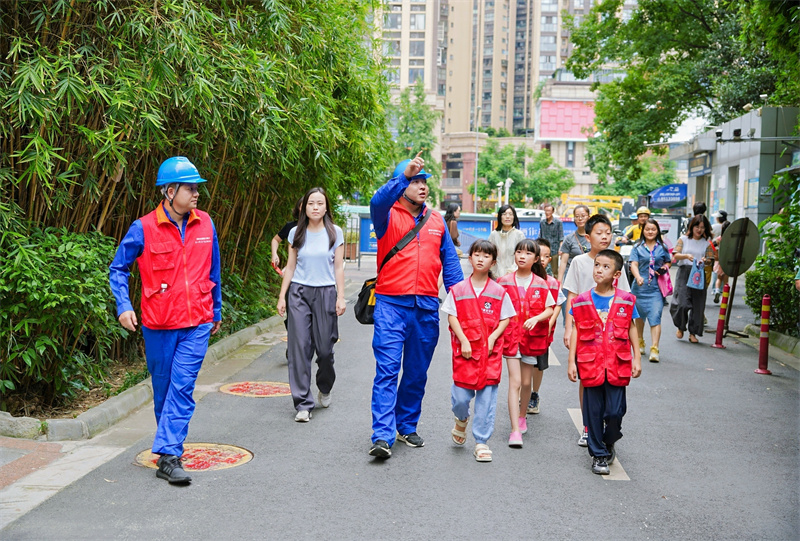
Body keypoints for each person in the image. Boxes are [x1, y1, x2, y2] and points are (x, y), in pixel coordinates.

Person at [109, 156, 222, 485]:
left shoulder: (206, 224)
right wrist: (123, 306)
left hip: (197, 321)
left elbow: (214, 270)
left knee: (182, 387)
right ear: (170, 192)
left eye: (197, 188)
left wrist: (215, 310)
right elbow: (118, 268)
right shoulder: (143, 228)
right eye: (190, 188)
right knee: (164, 390)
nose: (196, 193)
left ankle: (169, 455)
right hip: (158, 324)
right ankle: (168, 452)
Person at [368, 153, 463, 459]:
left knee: (416, 372)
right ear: (402, 185)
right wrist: (403, 175)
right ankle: (382, 435)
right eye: (415, 181)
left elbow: (451, 266)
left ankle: (406, 425)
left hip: (425, 307)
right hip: (390, 305)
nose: (422, 186)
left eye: (424, 182)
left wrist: (462, 304)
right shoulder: (385, 215)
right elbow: (377, 200)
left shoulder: (436, 221)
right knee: (387, 370)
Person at [568, 249, 642, 475]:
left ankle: (609, 440)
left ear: (617, 274)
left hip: (618, 364)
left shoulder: (626, 300)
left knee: (615, 412)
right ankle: (598, 455)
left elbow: (631, 328)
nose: (599, 270)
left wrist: (637, 358)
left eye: (605, 267)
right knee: (593, 411)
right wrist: (571, 361)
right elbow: (577, 331)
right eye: (597, 265)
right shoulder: (581, 301)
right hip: (590, 364)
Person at [276, 188, 346, 422]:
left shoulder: (335, 232)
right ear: (304, 207)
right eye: (311, 203)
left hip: (326, 293)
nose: (315, 207)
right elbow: (291, 266)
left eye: (320, 203)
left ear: (326, 207)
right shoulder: (295, 232)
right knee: (299, 348)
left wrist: (341, 296)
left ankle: (325, 386)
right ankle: (303, 404)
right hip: (298, 293)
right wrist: (282, 296)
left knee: (325, 350)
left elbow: (338, 267)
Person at [562, 214, 630, 447]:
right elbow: (572, 295)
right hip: (585, 330)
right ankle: (588, 426)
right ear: (588, 236)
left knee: (610, 379)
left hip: (611, 335)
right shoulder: (579, 262)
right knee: (587, 378)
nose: (604, 237)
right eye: (599, 233)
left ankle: (604, 424)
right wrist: (568, 328)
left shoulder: (617, 263)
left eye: (608, 233)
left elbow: (626, 300)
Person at [443, 240, 514, 462]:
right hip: (465, 353)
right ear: (470, 258)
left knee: (486, 400)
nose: (481, 259)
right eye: (477, 254)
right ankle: (461, 420)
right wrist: (463, 340)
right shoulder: (458, 289)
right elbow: (451, 315)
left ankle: (481, 442)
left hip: (490, 355)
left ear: (493, 262)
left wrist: (493, 337)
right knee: (460, 398)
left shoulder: (499, 291)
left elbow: (505, 318)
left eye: (486, 256)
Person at [498, 239, 555, 448]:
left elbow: (550, 309)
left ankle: (522, 416)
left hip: (532, 340)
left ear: (536, 259)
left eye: (528, 253)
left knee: (525, 383)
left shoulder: (541, 283)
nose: (522, 256)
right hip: (511, 339)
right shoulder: (503, 282)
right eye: (519, 252)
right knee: (514, 382)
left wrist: (536, 318)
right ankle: (515, 430)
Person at [528, 238, 566, 414]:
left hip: (543, 332)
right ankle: (522, 393)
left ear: (550, 259)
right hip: (524, 331)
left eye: (546, 256)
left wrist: (550, 323)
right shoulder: (523, 278)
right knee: (523, 364)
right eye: (539, 255)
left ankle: (534, 394)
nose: (542, 259)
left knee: (538, 365)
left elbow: (557, 304)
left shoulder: (552, 282)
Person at [629, 219, 671, 362]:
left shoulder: (662, 247)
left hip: (656, 288)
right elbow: (633, 264)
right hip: (639, 288)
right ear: (643, 231)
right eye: (647, 229)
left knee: (655, 316)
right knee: (639, 317)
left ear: (657, 231)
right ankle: (640, 341)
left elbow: (668, 261)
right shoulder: (637, 247)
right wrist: (637, 277)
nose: (650, 232)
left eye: (653, 229)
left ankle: (655, 348)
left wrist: (665, 267)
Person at [670, 214, 715, 344]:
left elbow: (710, 259)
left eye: (702, 227)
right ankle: (680, 326)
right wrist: (686, 256)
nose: (699, 230)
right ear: (692, 226)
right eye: (697, 226)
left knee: (698, 304)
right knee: (682, 303)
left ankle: (693, 332)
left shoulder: (706, 243)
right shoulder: (683, 239)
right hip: (684, 272)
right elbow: (675, 255)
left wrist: (705, 260)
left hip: (699, 274)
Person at [558, 205, 591, 322]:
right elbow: (563, 262)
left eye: (583, 216)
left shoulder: (594, 237)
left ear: (589, 217)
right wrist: (560, 282)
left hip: (589, 279)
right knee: (570, 314)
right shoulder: (569, 239)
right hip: (571, 279)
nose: (580, 218)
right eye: (577, 216)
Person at [489, 205, 526, 277]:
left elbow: (522, 255)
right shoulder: (494, 235)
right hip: (496, 275)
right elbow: (490, 255)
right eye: (504, 214)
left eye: (510, 214)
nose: (507, 217)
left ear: (514, 217)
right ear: (500, 217)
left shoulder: (519, 235)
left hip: (514, 276)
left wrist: (512, 271)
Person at [271, 197, 303, 269]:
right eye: (302, 206)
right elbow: (276, 240)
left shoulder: (318, 229)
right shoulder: (291, 227)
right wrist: (274, 254)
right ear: (298, 208)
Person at [538, 203, 563, 277]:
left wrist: (560, 248)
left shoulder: (558, 223)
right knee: (542, 269)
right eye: (546, 211)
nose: (547, 213)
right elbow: (540, 236)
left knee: (554, 271)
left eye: (549, 211)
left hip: (554, 250)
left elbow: (561, 237)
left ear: (552, 212)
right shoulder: (542, 222)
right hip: (543, 251)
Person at [711, 212, 730, 303]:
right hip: (728, 260)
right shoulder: (731, 239)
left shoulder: (719, 239)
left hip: (719, 260)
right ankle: (724, 298)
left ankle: (717, 290)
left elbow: (712, 245)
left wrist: (715, 253)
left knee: (719, 278)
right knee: (726, 281)